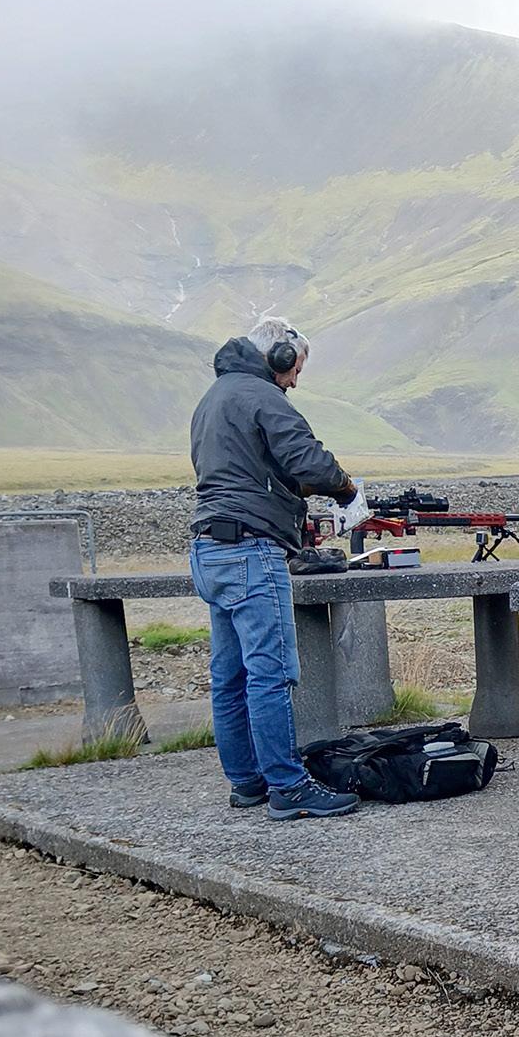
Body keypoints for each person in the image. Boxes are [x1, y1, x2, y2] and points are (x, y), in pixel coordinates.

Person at [187, 315, 361, 820]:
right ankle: (289, 787)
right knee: (271, 672)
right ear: (279, 357)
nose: (295, 381)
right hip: (251, 550)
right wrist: (347, 488)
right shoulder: (264, 396)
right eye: (296, 370)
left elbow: (254, 469)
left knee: (230, 675)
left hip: (209, 548)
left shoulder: (214, 398)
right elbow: (308, 460)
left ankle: (247, 782)